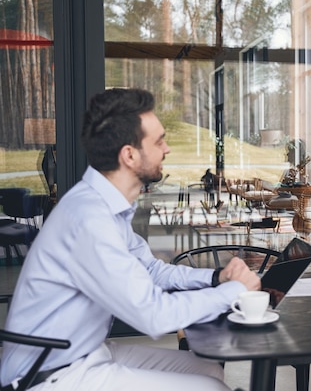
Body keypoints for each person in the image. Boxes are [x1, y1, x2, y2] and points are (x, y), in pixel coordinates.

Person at [0, 88, 260, 391]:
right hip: (50, 373)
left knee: (208, 369)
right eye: (159, 140)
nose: (168, 149)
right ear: (129, 154)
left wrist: (216, 277)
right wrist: (233, 291)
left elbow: (150, 271)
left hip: (87, 352)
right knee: (211, 388)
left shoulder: (106, 206)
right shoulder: (89, 219)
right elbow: (153, 316)